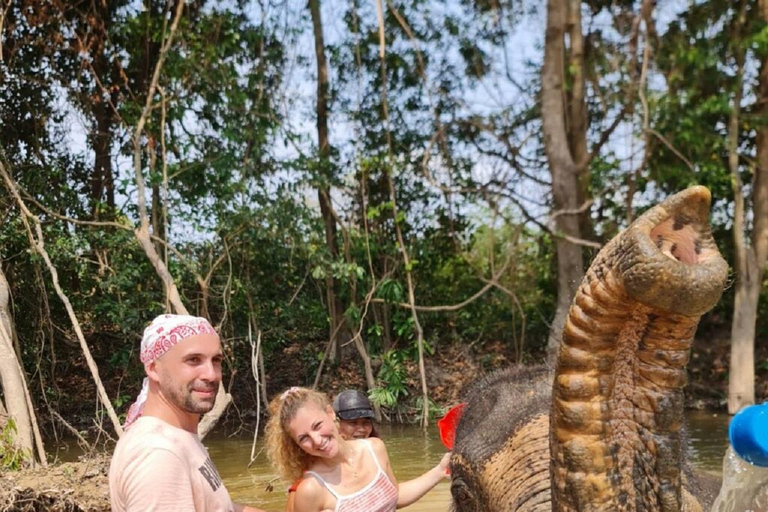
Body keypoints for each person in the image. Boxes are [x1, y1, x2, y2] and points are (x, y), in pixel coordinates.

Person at [108, 314, 264, 512]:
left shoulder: (176, 437)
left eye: (215, 360)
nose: (211, 374)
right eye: (193, 360)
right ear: (154, 369)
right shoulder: (159, 454)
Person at [272, 387, 449, 512]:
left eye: (317, 426)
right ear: (297, 445)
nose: (317, 440)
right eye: (304, 438)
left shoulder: (375, 448)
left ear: (330, 413)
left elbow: (396, 496)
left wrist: (440, 471)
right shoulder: (310, 489)